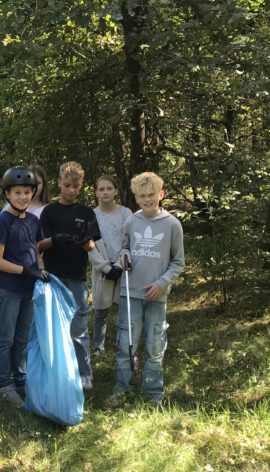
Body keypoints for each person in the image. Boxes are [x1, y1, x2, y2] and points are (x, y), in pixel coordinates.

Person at [108, 172, 184, 406]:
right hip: (130, 294)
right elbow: (124, 249)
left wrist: (162, 283)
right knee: (125, 344)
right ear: (136, 198)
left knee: (155, 346)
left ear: (160, 194)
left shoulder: (172, 224)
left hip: (157, 296)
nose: (148, 199)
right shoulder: (132, 221)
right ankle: (122, 389)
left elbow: (178, 262)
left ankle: (154, 394)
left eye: (152, 195)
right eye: (142, 196)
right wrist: (124, 256)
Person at [0, 166, 49, 408]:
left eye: (27, 192)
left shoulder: (34, 221)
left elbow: (36, 251)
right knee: (6, 337)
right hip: (9, 287)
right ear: (7, 194)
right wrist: (24, 270)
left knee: (23, 338)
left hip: (29, 288)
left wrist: (41, 269)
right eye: (17, 193)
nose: (23, 197)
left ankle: (19, 377)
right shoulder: (2, 222)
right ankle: (3, 384)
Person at [39, 161, 100, 390]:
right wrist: (55, 240)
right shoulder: (49, 211)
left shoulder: (86, 212)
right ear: (59, 184)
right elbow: (38, 244)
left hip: (76, 276)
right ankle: (55, 372)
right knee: (53, 326)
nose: (71, 190)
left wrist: (86, 243)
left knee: (78, 328)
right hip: (53, 277)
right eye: (67, 185)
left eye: (75, 185)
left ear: (81, 185)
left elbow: (92, 243)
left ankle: (84, 373)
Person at [88, 175, 132, 356]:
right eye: (101, 189)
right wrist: (106, 268)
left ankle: (124, 345)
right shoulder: (92, 215)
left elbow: (130, 242)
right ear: (96, 192)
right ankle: (99, 346)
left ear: (115, 191)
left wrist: (120, 265)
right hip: (102, 270)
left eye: (109, 188)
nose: (105, 192)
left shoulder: (126, 213)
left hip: (123, 267)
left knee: (125, 311)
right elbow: (89, 245)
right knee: (100, 311)